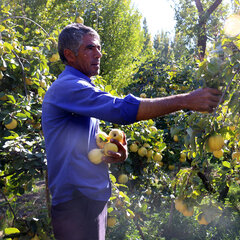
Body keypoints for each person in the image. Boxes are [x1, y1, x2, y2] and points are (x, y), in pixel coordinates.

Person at [42, 23, 221, 240]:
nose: (98, 54)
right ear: (69, 55)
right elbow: (122, 110)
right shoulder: (68, 87)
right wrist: (186, 100)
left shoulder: (81, 86)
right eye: (90, 48)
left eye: (99, 47)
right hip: (77, 200)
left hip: (88, 196)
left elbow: (80, 142)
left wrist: (111, 152)